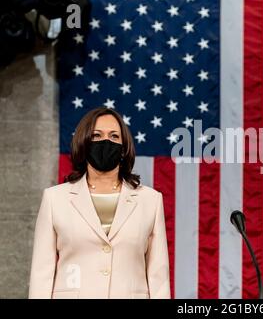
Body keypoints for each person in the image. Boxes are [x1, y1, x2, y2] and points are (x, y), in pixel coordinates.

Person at [29, 107, 170, 299]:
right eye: (96, 136)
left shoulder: (151, 200)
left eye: (114, 136)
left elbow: (158, 275)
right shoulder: (55, 199)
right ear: (84, 142)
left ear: (124, 146)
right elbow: (41, 273)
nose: (106, 141)